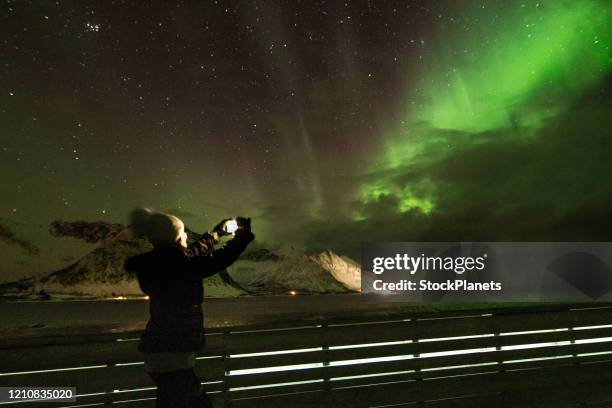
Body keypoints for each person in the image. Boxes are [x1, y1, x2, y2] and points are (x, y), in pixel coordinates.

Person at [124, 208, 254, 408]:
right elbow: (221, 258)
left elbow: (188, 255)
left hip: (159, 352)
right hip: (175, 356)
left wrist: (216, 234)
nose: (186, 236)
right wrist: (242, 238)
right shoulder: (183, 267)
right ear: (177, 240)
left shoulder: (156, 265)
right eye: (183, 234)